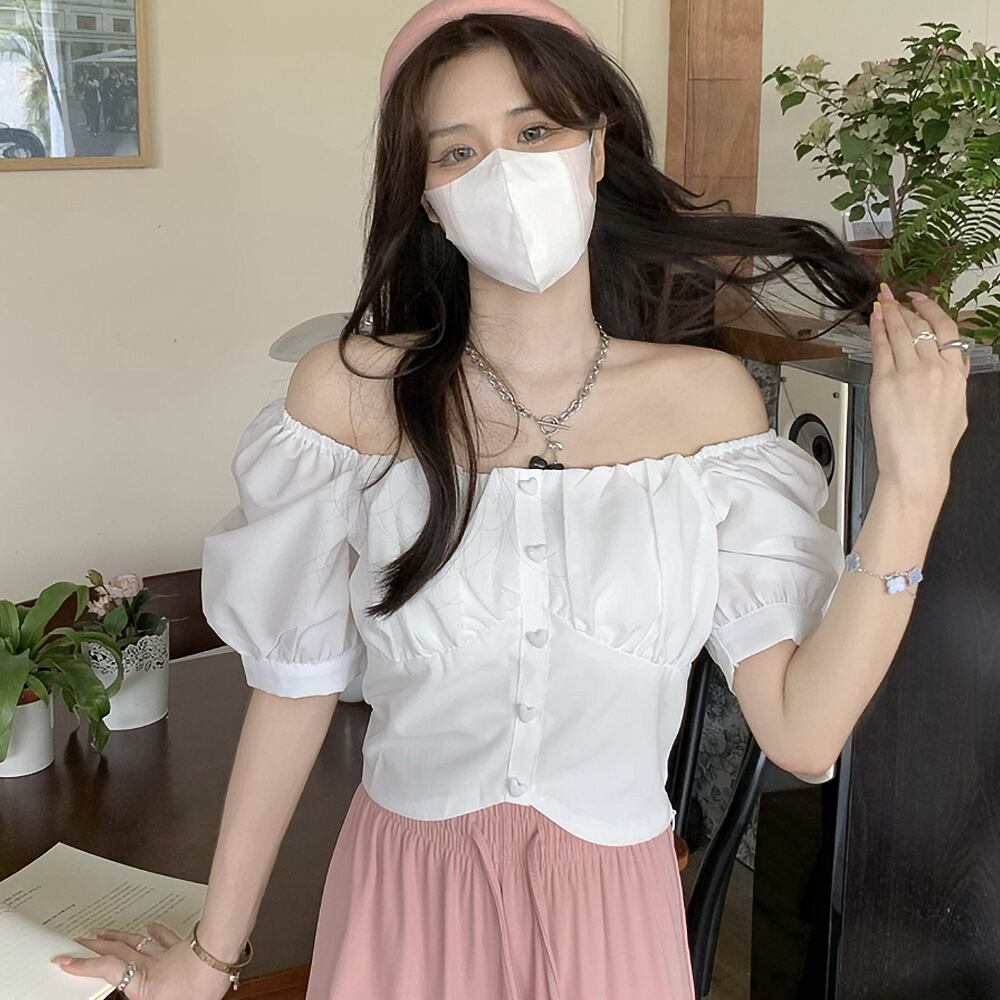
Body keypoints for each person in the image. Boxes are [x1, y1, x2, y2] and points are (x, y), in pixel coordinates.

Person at [51, 0, 970, 997]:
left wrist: (911, 488)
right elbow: (293, 688)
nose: (503, 172)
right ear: (426, 199)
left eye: (533, 132)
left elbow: (800, 728)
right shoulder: (349, 395)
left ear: (597, 149)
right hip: (404, 912)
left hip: (613, 928)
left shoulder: (705, 404)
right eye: (457, 152)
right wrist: (210, 955)